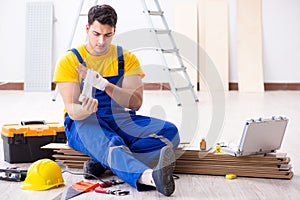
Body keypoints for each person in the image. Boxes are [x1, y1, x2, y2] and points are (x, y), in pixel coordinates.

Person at [53, 4, 180, 196]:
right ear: (87, 29)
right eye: (96, 34)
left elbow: (135, 103)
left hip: (120, 118)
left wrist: (104, 85)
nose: (101, 41)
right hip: (83, 121)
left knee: (170, 133)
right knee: (112, 143)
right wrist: (86, 110)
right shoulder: (70, 61)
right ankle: (150, 177)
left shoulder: (126, 58)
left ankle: (106, 160)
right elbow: (72, 109)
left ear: (114, 32)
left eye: (107, 35)